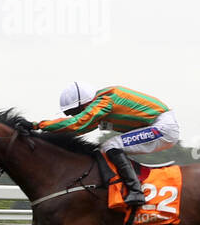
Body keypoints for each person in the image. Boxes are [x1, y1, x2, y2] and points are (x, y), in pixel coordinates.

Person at [38, 82, 180, 207]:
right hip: (160, 125)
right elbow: (80, 129)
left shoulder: (105, 101)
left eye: (75, 111)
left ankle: (136, 191)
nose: (73, 115)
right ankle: (126, 184)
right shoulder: (102, 103)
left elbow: (77, 123)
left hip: (163, 127)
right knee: (106, 147)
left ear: (84, 103)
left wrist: (38, 125)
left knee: (111, 146)